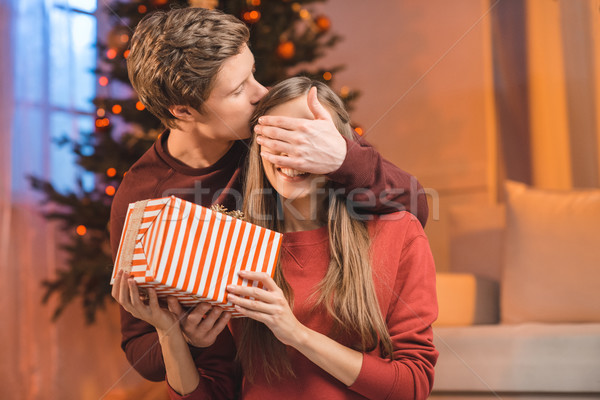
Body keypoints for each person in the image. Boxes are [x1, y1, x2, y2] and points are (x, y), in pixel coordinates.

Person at [110, 7, 430, 397]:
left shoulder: (281, 130)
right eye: (238, 89)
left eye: (253, 73)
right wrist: (184, 336)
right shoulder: (144, 198)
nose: (262, 93)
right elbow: (141, 348)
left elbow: (413, 209)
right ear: (183, 110)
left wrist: (342, 158)